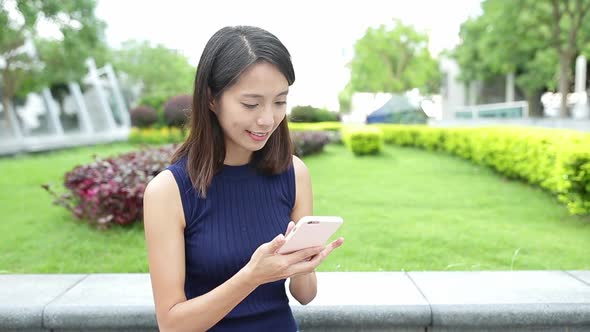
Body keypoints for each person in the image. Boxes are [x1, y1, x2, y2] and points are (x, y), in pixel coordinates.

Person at [143, 25, 344, 332]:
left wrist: (303, 262)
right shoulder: (169, 192)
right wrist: (252, 276)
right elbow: (172, 324)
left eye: (279, 101)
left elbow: (305, 295)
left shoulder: (294, 174)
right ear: (212, 99)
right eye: (251, 104)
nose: (267, 119)